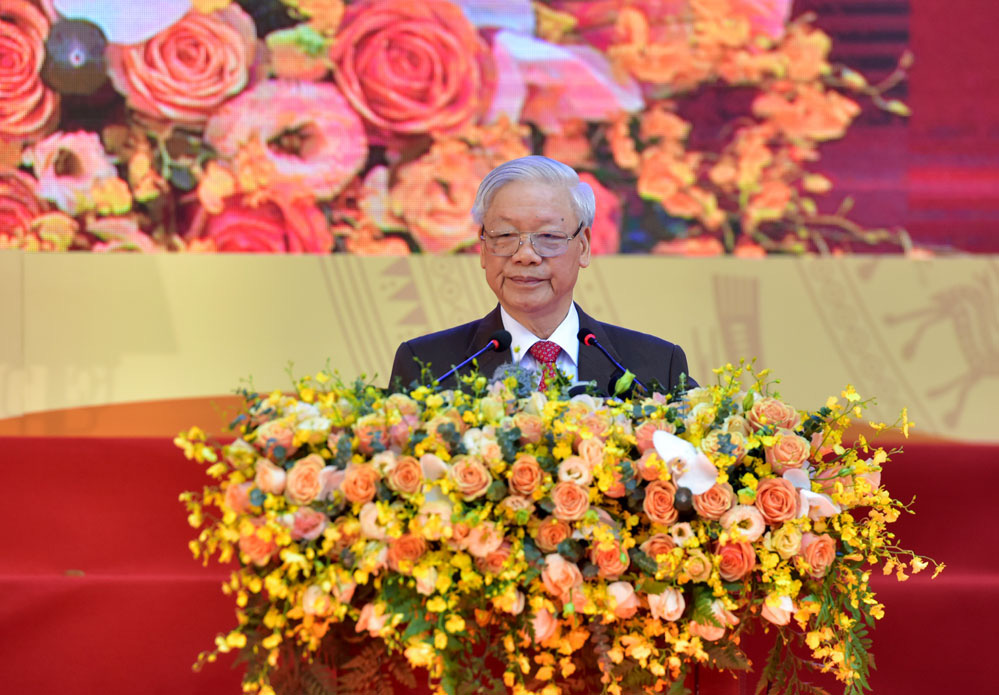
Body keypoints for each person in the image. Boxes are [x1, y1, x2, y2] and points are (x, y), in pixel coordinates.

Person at [389, 155, 694, 395]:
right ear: (482, 248)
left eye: (548, 236)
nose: (525, 255)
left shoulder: (655, 366)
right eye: (505, 234)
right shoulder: (427, 366)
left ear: (584, 247)